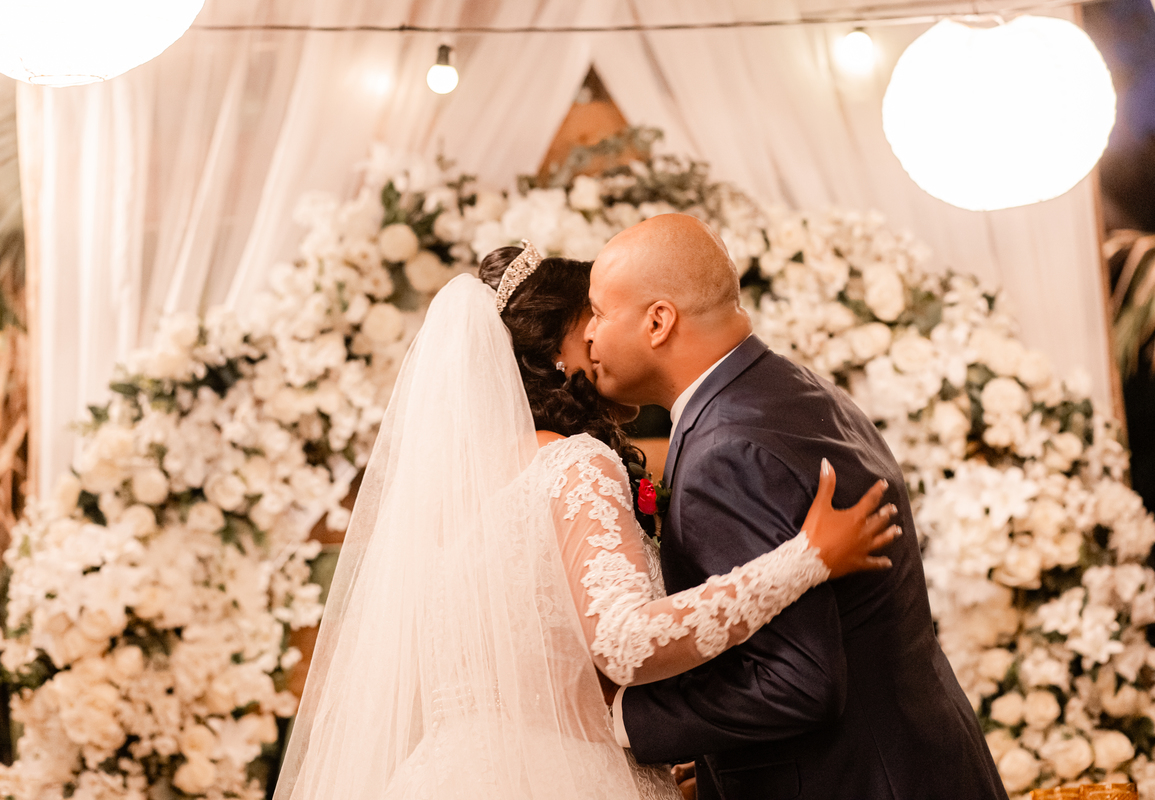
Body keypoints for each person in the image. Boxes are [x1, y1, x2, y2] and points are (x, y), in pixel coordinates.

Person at [272, 240, 898, 800]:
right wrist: (805, 558)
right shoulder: (574, 463)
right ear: (554, 351)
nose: (599, 338)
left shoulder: (469, 491)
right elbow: (625, 641)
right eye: (589, 318)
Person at [586, 214, 1008, 800]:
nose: (589, 337)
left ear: (658, 321)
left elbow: (795, 683)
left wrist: (625, 718)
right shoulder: (793, 391)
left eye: (600, 314)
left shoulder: (727, 449)